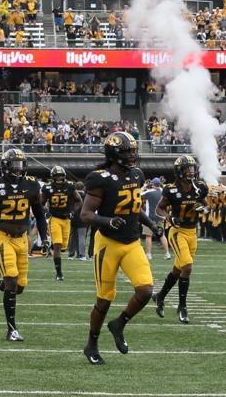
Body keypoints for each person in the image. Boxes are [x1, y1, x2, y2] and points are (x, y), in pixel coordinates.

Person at [80, 131, 158, 365]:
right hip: (108, 244)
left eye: (133, 150)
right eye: (127, 151)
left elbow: (134, 207)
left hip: (132, 241)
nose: (133, 155)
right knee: (104, 299)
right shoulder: (100, 178)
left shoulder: (137, 174)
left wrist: (152, 224)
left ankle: (119, 323)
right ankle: (91, 343)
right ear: (114, 154)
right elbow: (85, 214)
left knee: (145, 291)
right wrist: (106, 221)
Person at [0, 148, 48, 342]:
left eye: (21, 165)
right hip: (3, 238)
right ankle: (12, 329)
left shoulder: (31, 185)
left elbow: (39, 214)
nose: (18, 169)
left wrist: (44, 237)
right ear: (5, 167)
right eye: (14, 165)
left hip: (22, 239)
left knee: (19, 286)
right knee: (12, 280)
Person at [153, 154, 210, 324]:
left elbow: (207, 206)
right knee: (187, 267)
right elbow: (159, 209)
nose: (191, 172)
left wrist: (203, 208)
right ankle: (182, 307)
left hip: (192, 232)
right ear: (180, 171)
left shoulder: (199, 187)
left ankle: (160, 296)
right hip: (177, 231)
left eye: (192, 168)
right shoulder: (171, 189)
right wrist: (169, 218)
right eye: (187, 169)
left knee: (178, 270)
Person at [42, 165, 80, 282]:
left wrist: (73, 211)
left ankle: (51, 247)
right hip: (55, 219)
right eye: (56, 176)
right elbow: (40, 203)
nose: (58, 178)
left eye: (60, 176)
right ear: (53, 177)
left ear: (64, 176)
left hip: (66, 220)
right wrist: (46, 211)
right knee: (58, 245)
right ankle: (59, 273)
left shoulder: (70, 186)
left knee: (63, 248)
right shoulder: (47, 188)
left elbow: (79, 201)